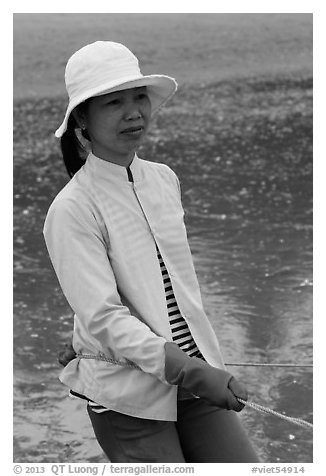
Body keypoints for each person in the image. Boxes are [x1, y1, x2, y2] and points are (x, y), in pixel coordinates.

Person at [43, 41, 259, 463]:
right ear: (82, 118)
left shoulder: (163, 179)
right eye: (114, 102)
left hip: (197, 378)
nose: (134, 112)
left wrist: (198, 368)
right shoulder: (71, 208)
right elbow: (103, 315)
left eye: (139, 96)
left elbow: (166, 284)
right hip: (128, 394)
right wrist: (184, 367)